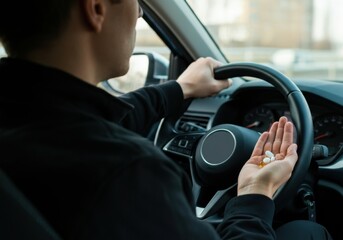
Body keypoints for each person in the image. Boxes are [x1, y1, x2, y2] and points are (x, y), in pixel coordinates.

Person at [0, 0, 333, 239]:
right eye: (135, 2)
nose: (140, 12)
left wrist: (181, 89)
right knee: (306, 231)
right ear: (96, 8)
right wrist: (253, 197)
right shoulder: (128, 173)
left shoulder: (29, 121)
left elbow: (77, 122)